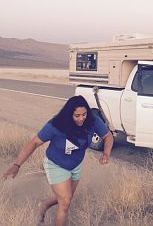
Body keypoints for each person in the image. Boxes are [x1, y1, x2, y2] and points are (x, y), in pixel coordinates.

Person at [3, 95, 113, 226]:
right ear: (69, 114)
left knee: (66, 197)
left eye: (84, 114)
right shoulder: (56, 125)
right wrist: (17, 165)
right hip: (56, 165)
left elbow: (107, 136)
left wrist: (106, 153)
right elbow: (34, 143)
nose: (81, 118)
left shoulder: (92, 121)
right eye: (77, 115)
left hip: (75, 165)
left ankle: (43, 205)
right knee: (65, 202)